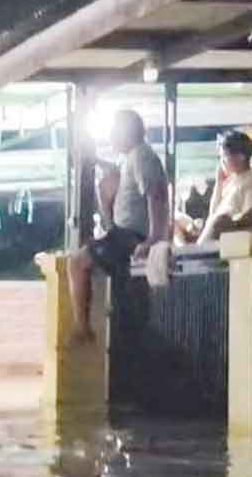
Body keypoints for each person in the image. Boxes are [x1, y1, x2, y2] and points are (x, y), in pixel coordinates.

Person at [66, 109, 169, 345]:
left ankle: (83, 328)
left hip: (131, 236)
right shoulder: (132, 158)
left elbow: (156, 195)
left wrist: (153, 239)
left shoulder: (141, 156)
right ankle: (89, 328)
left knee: (77, 262)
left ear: (126, 131)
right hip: (123, 233)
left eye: (113, 131)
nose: (110, 137)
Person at [196, 131, 252, 243]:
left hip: (229, 238)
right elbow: (213, 213)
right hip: (214, 235)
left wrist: (228, 222)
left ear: (240, 156)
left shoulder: (251, 179)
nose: (222, 161)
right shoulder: (231, 180)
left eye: (224, 156)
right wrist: (219, 183)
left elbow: (249, 213)